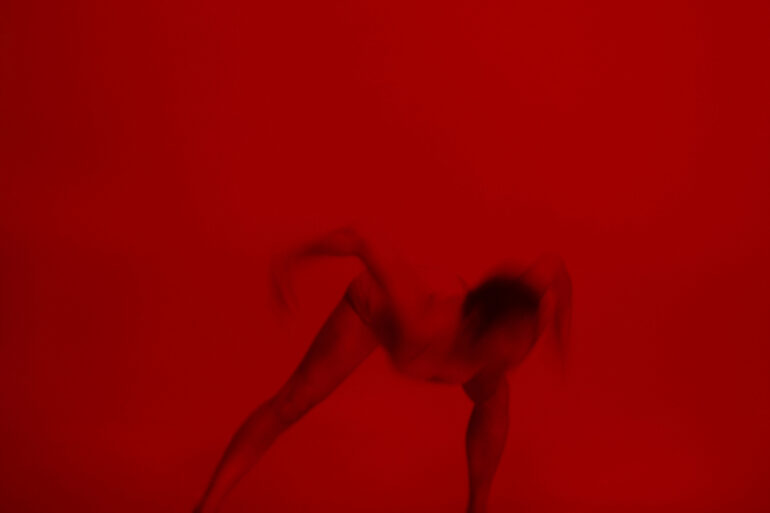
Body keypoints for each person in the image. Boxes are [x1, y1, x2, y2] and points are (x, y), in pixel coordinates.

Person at [193, 227, 572, 513]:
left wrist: (562, 340)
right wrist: (290, 258)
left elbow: (553, 265)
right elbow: (360, 240)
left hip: (461, 343)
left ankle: (478, 508)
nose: (518, 353)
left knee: (494, 395)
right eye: (509, 340)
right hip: (374, 314)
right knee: (292, 402)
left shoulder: (515, 330)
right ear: (477, 325)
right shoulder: (418, 317)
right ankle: (206, 506)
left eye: (522, 341)